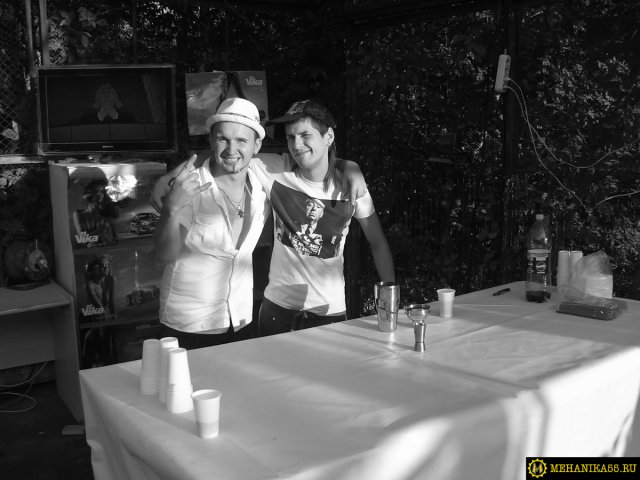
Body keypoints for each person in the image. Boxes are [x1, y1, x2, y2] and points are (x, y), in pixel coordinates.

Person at [152, 97, 366, 349]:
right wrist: (171, 210)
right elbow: (165, 255)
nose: (232, 149)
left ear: (257, 146)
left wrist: (351, 166)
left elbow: (314, 159)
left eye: (241, 140)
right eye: (223, 139)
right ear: (211, 141)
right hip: (188, 325)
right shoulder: (190, 187)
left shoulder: (262, 184)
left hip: (241, 321)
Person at [255, 99, 395, 334]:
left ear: (328, 136)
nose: (296, 145)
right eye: (290, 137)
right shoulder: (275, 171)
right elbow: (232, 156)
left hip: (328, 312)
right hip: (276, 310)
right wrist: (350, 164)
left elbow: (377, 243)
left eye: (305, 135)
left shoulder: (351, 188)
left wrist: (390, 297)